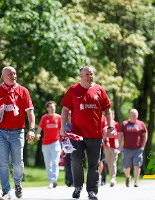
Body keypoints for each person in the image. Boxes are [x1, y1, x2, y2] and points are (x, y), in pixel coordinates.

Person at [60, 66, 113, 200]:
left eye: (92, 74)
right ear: (81, 76)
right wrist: (62, 128)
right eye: (87, 74)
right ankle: (78, 186)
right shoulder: (73, 90)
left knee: (94, 164)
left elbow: (107, 110)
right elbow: (65, 110)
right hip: (77, 134)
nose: (90, 76)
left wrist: (110, 126)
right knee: (76, 160)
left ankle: (92, 191)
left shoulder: (99, 90)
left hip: (95, 134)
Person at [0, 66, 35, 200]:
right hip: (0, 131)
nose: (13, 76)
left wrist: (31, 129)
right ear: (2, 77)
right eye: (9, 74)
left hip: (17, 132)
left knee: (18, 162)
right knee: (3, 162)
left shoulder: (23, 91)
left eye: (14, 73)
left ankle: (18, 184)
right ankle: (6, 192)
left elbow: (30, 112)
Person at [118, 109, 148, 188]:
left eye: (135, 115)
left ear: (137, 115)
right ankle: (128, 177)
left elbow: (145, 134)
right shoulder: (125, 124)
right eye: (132, 115)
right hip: (127, 148)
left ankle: (136, 181)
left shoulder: (141, 124)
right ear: (129, 115)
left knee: (137, 165)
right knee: (126, 167)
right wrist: (120, 145)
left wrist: (143, 145)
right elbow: (120, 135)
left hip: (138, 148)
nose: (133, 117)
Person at [36, 101, 61, 189]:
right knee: (48, 163)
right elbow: (40, 128)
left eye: (53, 106)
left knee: (55, 162)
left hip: (56, 142)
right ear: (47, 108)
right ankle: (50, 180)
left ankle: (53, 180)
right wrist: (38, 134)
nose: (52, 108)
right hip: (45, 143)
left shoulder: (59, 117)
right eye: (50, 107)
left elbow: (62, 129)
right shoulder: (44, 117)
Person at [102, 111, 119, 187]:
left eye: (112, 114)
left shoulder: (116, 124)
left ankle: (113, 178)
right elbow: (103, 134)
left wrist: (118, 142)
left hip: (114, 146)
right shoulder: (105, 123)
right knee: (108, 162)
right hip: (107, 145)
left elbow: (118, 134)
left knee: (113, 161)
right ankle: (111, 177)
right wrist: (105, 141)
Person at [64, 111, 73, 187]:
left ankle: (74, 180)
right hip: (67, 147)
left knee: (75, 164)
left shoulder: (77, 125)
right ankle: (68, 180)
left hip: (76, 147)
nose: (71, 117)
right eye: (69, 115)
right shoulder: (65, 125)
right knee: (67, 164)